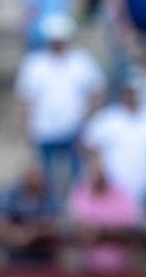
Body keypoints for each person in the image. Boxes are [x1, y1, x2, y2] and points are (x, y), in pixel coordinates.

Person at [14, 13, 104, 205]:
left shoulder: (81, 60)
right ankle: (51, 211)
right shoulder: (34, 63)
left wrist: (87, 120)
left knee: (76, 178)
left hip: (73, 130)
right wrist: (24, 129)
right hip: (43, 131)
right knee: (45, 180)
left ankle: (76, 209)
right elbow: (25, 100)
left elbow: (97, 91)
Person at [81, 80, 146, 204]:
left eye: (133, 93)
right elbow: (87, 142)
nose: (130, 96)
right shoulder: (108, 117)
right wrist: (98, 165)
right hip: (115, 186)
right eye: (127, 93)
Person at [0, 162, 58, 265]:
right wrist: (14, 233)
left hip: (43, 253)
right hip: (14, 252)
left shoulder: (49, 196)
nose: (33, 179)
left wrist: (30, 234)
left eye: (36, 176)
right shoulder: (10, 195)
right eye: (30, 175)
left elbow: (53, 224)